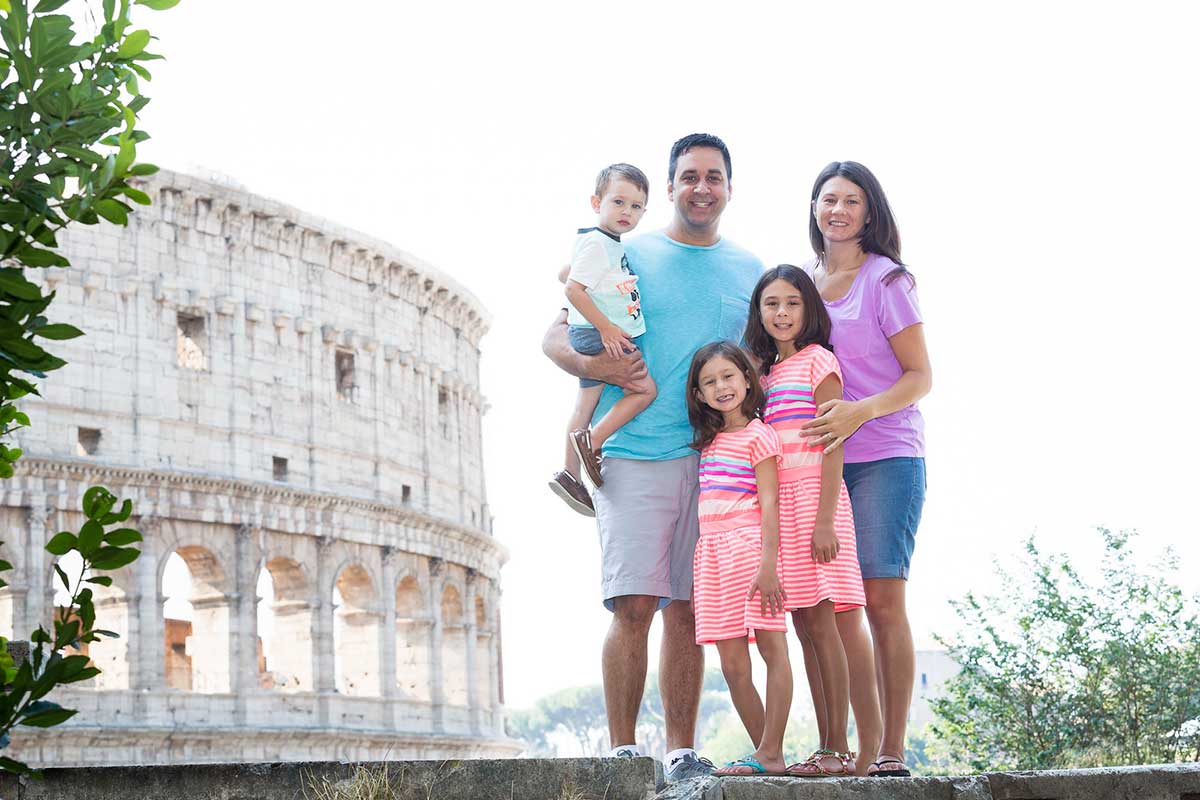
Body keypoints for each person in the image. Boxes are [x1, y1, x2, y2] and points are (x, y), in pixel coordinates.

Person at [541, 133, 763, 781]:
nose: (701, 187)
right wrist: (594, 361)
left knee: (691, 610)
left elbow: (761, 368)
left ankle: (681, 752)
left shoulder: (751, 270)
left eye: (714, 177)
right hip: (633, 453)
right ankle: (621, 753)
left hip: (715, 462)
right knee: (632, 605)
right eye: (689, 175)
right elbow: (555, 336)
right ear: (668, 187)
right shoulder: (624, 248)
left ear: (728, 187)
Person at [800, 161, 932, 778]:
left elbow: (920, 376)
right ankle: (836, 748)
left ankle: (890, 752)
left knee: (881, 601)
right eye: (829, 199)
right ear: (815, 209)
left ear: (869, 212)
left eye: (852, 200)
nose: (838, 210)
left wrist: (859, 413)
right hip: (815, 465)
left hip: (886, 457)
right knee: (828, 609)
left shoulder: (887, 280)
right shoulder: (800, 282)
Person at [745, 265, 864, 777]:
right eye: (771, 303)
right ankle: (823, 747)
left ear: (808, 309)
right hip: (781, 508)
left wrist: (825, 520)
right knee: (802, 627)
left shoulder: (820, 361)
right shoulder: (765, 375)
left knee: (822, 623)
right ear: (760, 312)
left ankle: (838, 747)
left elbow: (832, 439)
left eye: (792, 302)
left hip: (816, 501)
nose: (782, 313)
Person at [685, 341, 792, 777]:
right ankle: (768, 754)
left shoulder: (759, 435)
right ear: (698, 394)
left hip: (751, 548)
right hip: (711, 554)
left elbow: (770, 503)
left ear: (747, 379)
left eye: (728, 376)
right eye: (709, 381)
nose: (721, 386)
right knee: (731, 663)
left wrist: (769, 563)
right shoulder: (708, 443)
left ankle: (771, 752)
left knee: (772, 648)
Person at [549, 163, 657, 517]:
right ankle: (591, 443)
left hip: (591, 331)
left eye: (636, 206)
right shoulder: (600, 243)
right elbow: (573, 288)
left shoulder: (597, 241)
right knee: (644, 390)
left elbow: (565, 273)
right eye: (619, 202)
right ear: (597, 202)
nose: (627, 212)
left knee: (584, 406)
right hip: (599, 334)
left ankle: (569, 474)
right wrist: (608, 328)